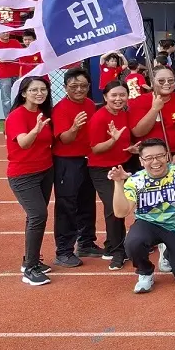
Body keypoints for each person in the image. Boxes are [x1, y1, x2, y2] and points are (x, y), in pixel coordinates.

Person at [110, 138, 175, 293]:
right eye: (149, 158)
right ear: (141, 161)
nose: (155, 161)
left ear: (167, 156)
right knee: (133, 242)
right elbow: (121, 212)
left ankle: (167, 252)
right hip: (149, 224)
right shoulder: (135, 180)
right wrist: (118, 183)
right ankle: (145, 273)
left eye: (160, 156)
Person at [6, 76, 55, 286]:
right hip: (23, 174)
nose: (39, 93)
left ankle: (30, 259)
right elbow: (24, 144)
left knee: (34, 218)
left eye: (43, 89)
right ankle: (30, 269)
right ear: (24, 93)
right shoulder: (17, 116)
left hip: (45, 171)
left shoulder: (44, 114)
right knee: (38, 216)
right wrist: (35, 130)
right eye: (34, 90)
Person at [50, 67, 99, 267]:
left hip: (88, 159)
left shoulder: (89, 103)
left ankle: (87, 242)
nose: (79, 89)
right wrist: (74, 127)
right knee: (67, 206)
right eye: (74, 86)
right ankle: (63, 251)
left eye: (83, 86)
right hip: (67, 162)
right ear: (65, 87)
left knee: (87, 202)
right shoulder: (61, 108)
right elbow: (66, 139)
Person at [88, 79, 136, 269]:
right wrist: (113, 141)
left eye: (122, 95)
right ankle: (118, 251)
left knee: (122, 205)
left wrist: (128, 148)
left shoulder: (124, 114)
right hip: (102, 169)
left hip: (121, 165)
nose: (118, 99)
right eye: (114, 95)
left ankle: (112, 245)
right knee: (115, 208)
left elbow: (123, 142)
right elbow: (96, 149)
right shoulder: (99, 117)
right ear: (106, 97)